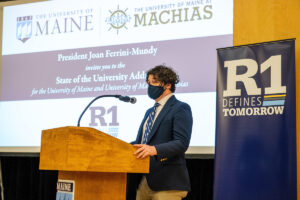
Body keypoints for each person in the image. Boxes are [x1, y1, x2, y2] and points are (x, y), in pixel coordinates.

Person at [132, 65, 193, 200]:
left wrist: (154, 149)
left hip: (169, 182)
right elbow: (141, 142)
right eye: (148, 82)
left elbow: (181, 143)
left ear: (167, 85)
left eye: (154, 82)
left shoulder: (180, 108)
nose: (150, 86)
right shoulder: (150, 111)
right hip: (145, 181)